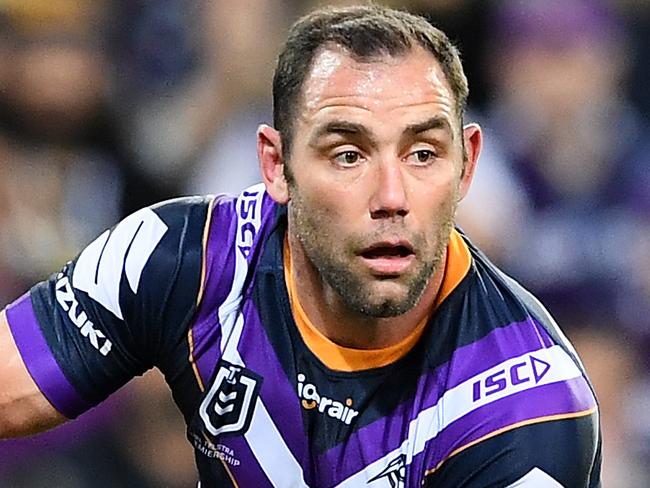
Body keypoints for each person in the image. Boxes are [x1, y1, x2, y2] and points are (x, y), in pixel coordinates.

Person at [0, 5, 601, 487]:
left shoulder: (532, 409)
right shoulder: (181, 256)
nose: (391, 196)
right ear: (277, 164)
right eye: (348, 153)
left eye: (423, 154)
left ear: (467, 166)